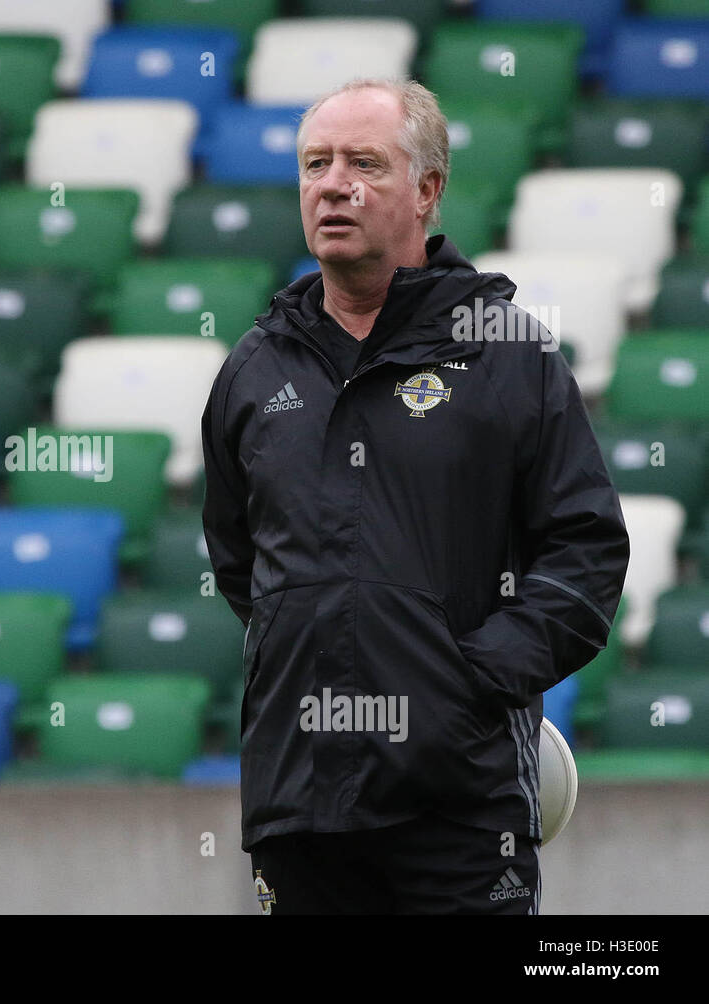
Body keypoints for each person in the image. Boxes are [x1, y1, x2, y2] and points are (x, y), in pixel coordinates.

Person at [200, 78, 629, 915]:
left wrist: (465, 682)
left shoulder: (509, 358)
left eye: (365, 162)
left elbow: (585, 552)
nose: (332, 184)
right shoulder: (255, 370)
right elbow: (240, 563)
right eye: (315, 163)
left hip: (460, 806)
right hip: (300, 804)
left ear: (428, 190)